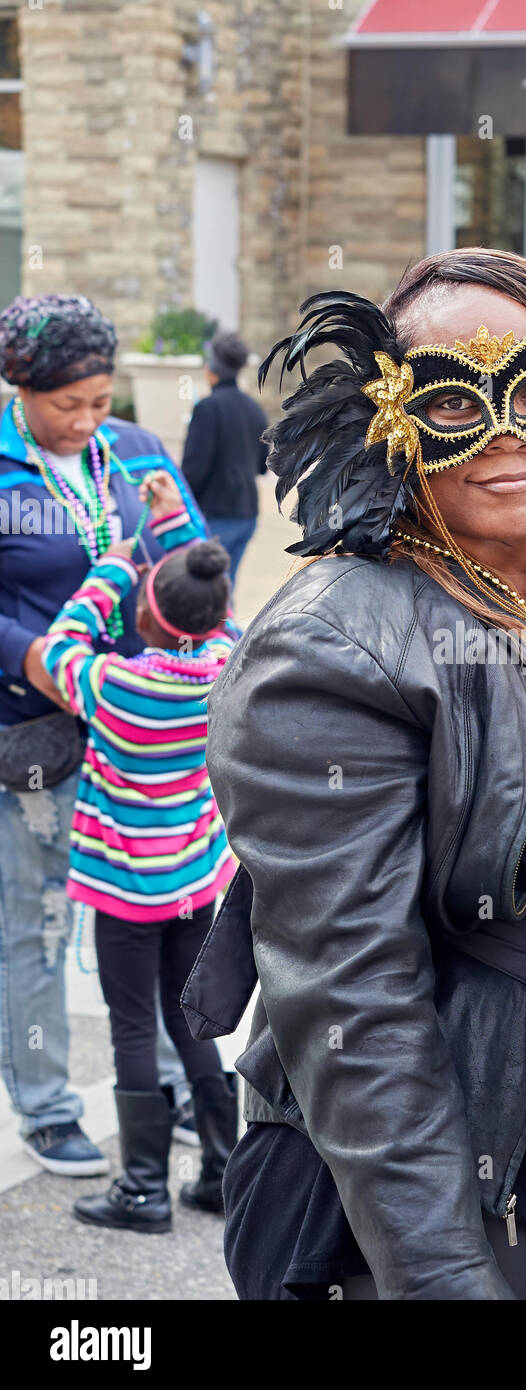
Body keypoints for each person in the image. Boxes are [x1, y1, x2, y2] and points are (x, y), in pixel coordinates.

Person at [180, 216, 526, 1300]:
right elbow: (353, 1006)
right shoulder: (331, 644)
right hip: (437, 1223)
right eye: (447, 404)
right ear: (387, 423)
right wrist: (442, 1279)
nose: (502, 437)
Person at [0, 294, 204, 1178]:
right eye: (66, 405)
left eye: (98, 399)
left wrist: (171, 522)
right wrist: (29, 655)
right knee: (40, 920)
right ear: (19, 386)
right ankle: (46, 1104)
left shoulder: (137, 451)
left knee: (154, 916)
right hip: (36, 731)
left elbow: (199, 577)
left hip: (138, 732)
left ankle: (164, 1085)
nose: (87, 422)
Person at [41, 468, 238, 1231]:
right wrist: (176, 530)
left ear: (143, 618)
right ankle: (222, 1170)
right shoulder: (226, 669)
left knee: (132, 1028)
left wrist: (115, 565)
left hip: (125, 891)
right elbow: (213, 603)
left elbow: (62, 640)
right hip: (194, 880)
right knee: (193, 1018)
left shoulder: (114, 684)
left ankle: (144, 1189)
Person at [180, 331, 268, 590]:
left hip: (215, 515)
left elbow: (194, 471)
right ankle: (224, 630)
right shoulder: (255, 409)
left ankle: (215, 631)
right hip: (247, 514)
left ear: (211, 369)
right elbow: (262, 465)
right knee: (224, 586)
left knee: (205, 589)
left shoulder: (207, 408)